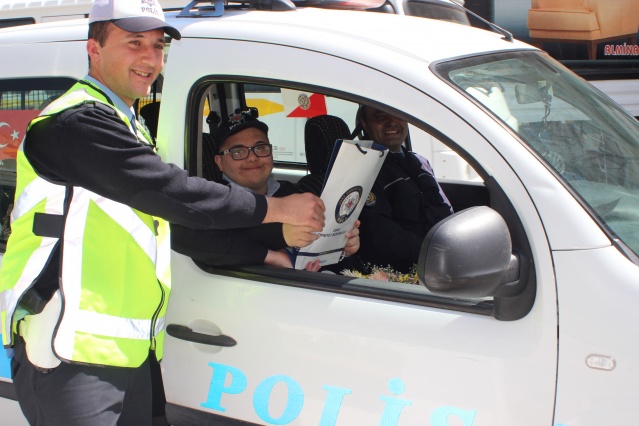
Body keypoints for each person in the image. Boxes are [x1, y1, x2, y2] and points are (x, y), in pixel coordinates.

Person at [0, 1, 325, 425]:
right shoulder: (74, 122)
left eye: (157, 46)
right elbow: (172, 194)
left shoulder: (128, 122)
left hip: (129, 353)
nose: (151, 59)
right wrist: (277, 209)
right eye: (134, 43)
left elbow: (163, 224)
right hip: (69, 352)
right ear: (94, 48)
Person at [172, 109, 361, 270]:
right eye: (238, 151)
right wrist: (279, 238)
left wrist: (340, 245)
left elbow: (320, 251)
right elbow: (190, 235)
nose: (252, 157)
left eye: (260, 148)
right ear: (219, 162)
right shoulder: (212, 200)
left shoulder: (294, 195)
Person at [355, 105, 453, 273]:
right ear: (365, 124)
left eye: (398, 114)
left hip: (442, 258)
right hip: (410, 270)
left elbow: (444, 209)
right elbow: (383, 236)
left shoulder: (419, 162)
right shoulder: (363, 170)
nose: (391, 122)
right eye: (380, 117)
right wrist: (437, 253)